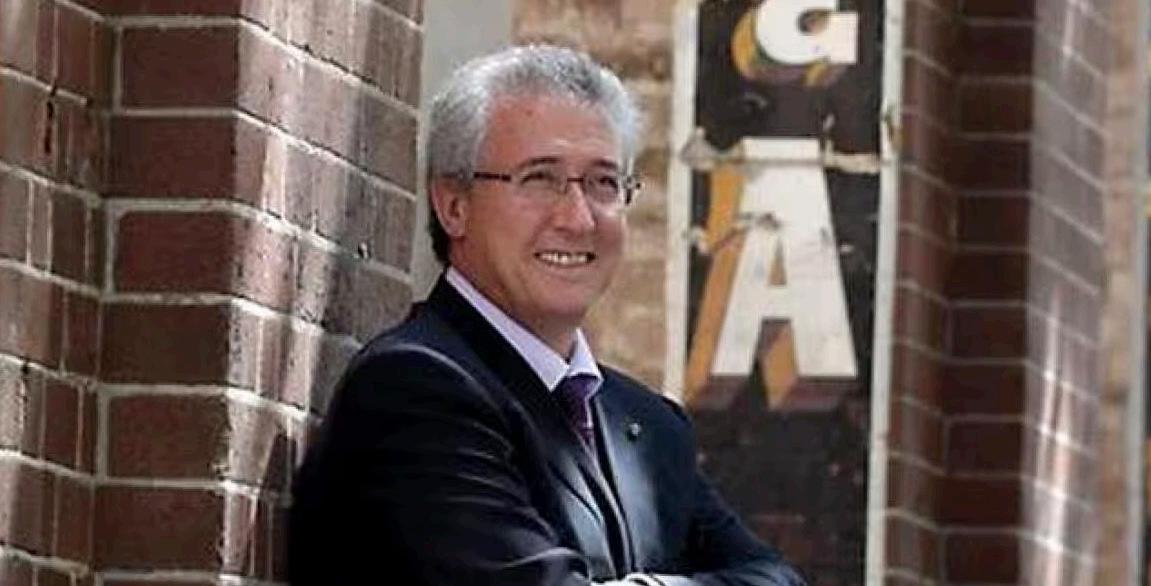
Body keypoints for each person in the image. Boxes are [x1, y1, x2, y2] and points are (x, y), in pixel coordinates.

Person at [288, 44, 806, 586]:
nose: (578, 219)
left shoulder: (650, 426)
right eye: (539, 178)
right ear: (453, 204)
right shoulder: (414, 390)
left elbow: (778, 578)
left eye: (603, 182)